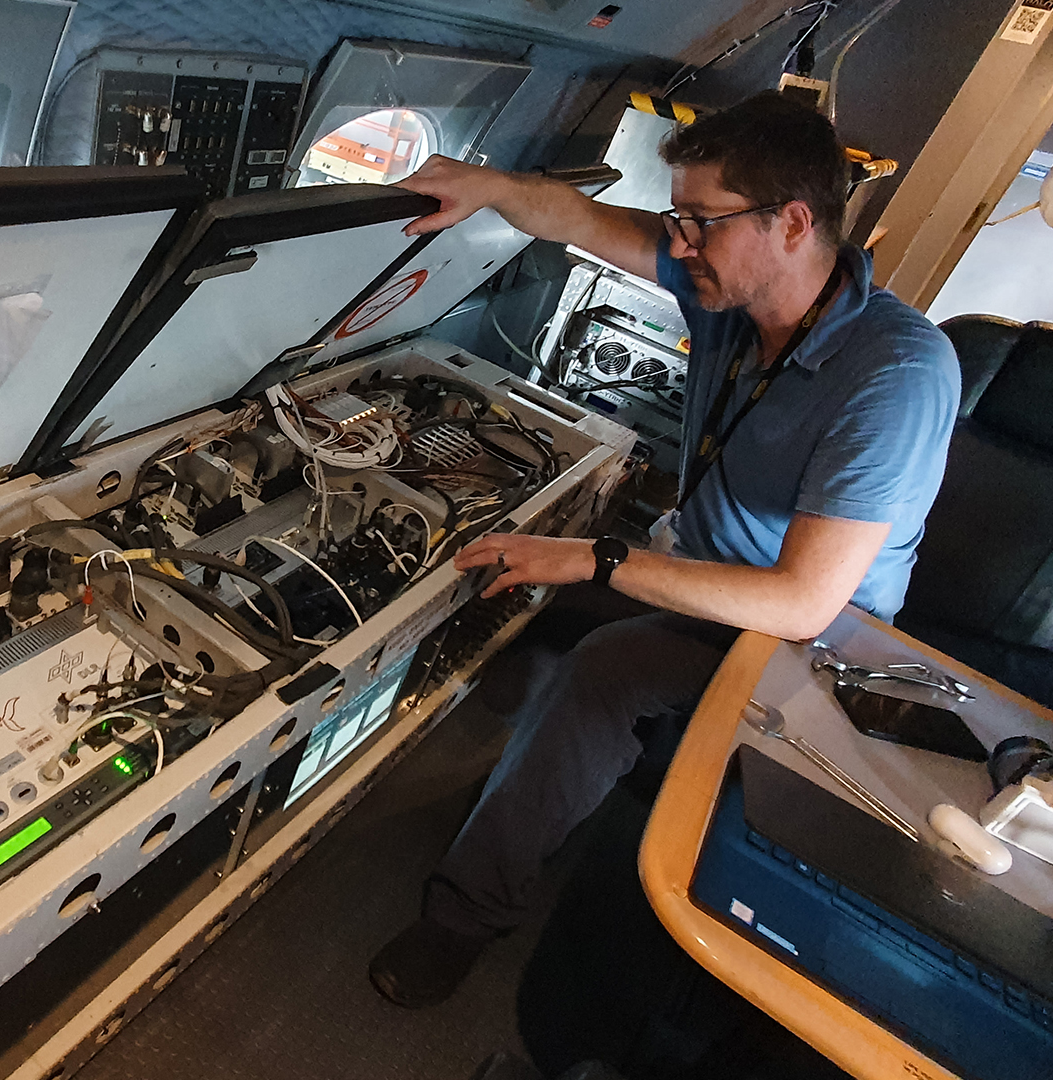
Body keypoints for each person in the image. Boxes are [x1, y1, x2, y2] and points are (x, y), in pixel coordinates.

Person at [366, 91, 962, 1008]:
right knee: (499, 577)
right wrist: (482, 183)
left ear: (792, 222)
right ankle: (476, 788)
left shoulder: (895, 373)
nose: (678, 242)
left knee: (603, 672)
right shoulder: (734, 286)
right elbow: (574, 214)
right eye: (677, 218)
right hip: (690, 563)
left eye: (699, 222)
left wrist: (600, 561)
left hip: (802, 646)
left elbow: (805, 601)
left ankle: (461, 917)